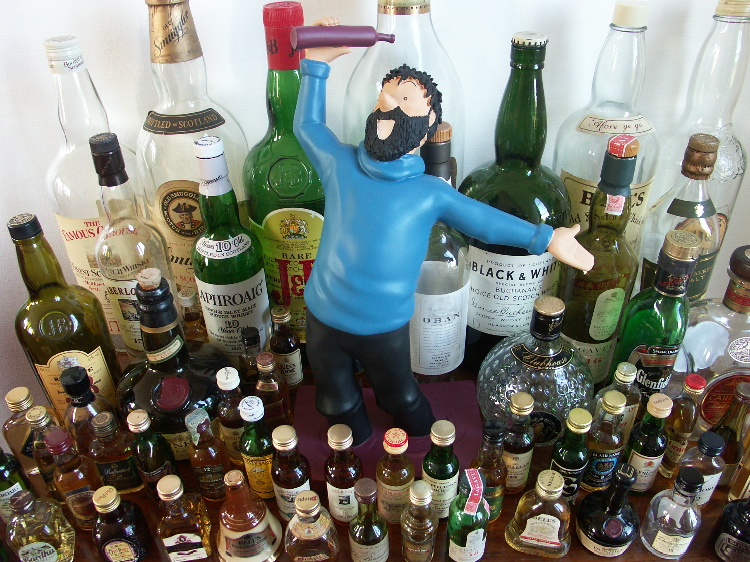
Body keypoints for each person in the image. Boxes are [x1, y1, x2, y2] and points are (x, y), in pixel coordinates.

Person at [293, 35, 594, 446]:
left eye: (404, 99)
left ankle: (429, 448)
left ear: (428, 125)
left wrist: (546, 237)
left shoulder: (430, 193)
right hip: (323, 317)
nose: (388, 105)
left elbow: (484, 222)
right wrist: (315, 66)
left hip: (385, 327)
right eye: (384, 96)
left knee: (400, 397)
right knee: (336, 403)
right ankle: (352, 456)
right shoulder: (339, 162)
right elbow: (308, 126)